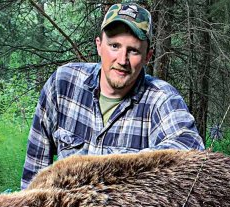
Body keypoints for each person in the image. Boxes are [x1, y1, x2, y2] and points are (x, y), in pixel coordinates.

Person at [21, 3, 205, 189]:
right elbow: (33, 170)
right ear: (99, 45)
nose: (122, 60)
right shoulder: (63, 84)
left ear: (148, 56)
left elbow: (191, 150)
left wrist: (117, 170)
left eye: (133, 50)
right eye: (114, 46)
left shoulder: (161, 99)